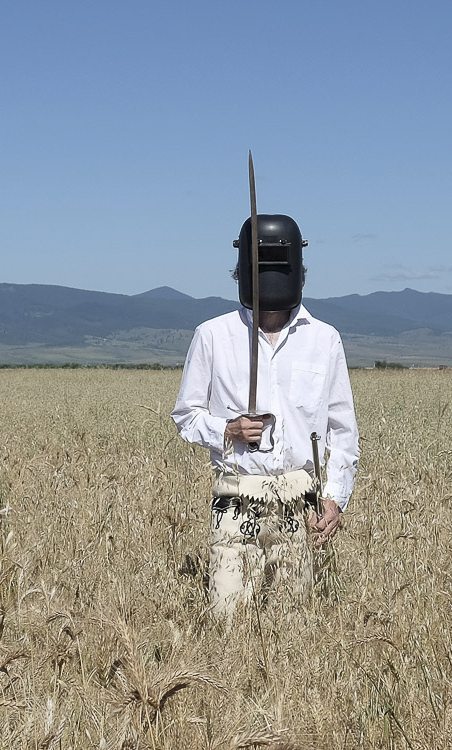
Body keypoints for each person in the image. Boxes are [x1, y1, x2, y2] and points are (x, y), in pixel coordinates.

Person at [171, 214, 360, 622]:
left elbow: (343, 430)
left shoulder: (324, 339)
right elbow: (185, 415)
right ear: (241, 273)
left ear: (298, 273)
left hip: (300, 498)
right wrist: (226, 428)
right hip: (236, 494)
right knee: (227, 621)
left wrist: (335, 499)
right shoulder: (212, 336)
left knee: (291, 628)